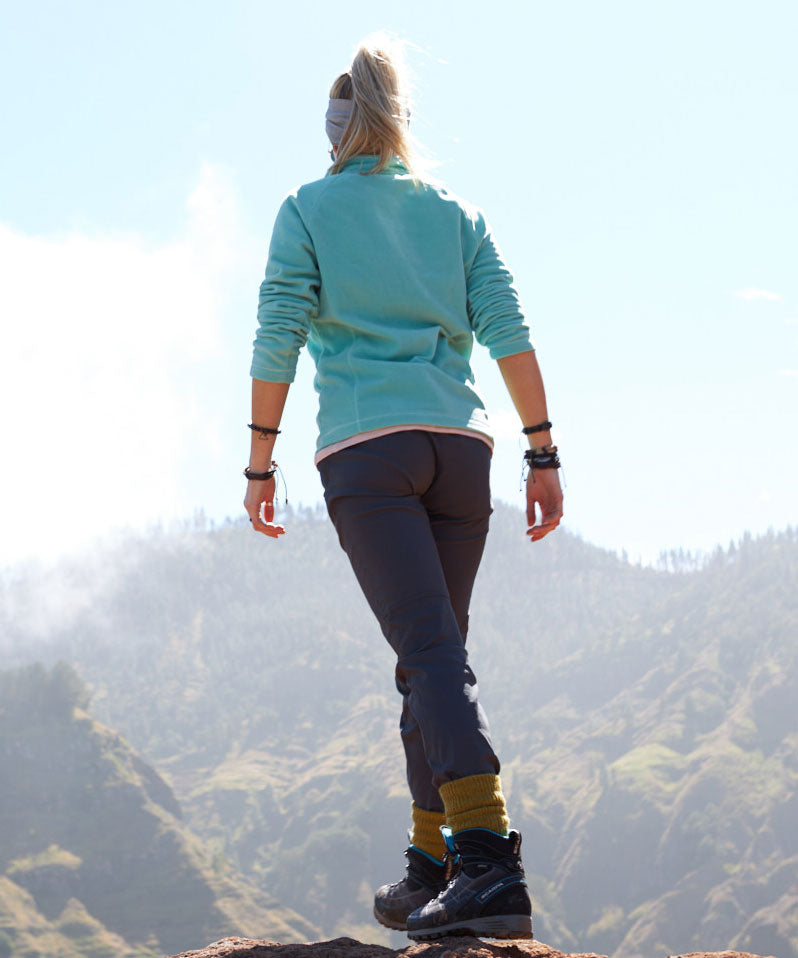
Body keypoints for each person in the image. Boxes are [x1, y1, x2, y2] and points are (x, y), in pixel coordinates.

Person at [243, 34, 563, 942]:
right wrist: (543, 455)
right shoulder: (455, 213)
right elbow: (510, 331)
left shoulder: (307, 209)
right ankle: (434, 863)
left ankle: (489, 860)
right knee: (432, 655)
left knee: (429, 655)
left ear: (336, 128)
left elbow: (277, 336)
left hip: (369, 454)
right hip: (462, 453)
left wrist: (259, 460)